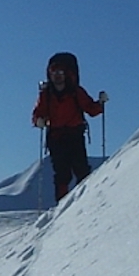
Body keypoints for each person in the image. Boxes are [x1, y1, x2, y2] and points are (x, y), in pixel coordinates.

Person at [31, 52, 108, 201]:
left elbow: (91, 109)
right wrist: (37, 120)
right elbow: (37, 113)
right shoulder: (47, 95)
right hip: (58, 137)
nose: (57, 75)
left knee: (81, 171)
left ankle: (82, 202)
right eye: (54, 72)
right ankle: (65, 206)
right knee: (62, 174)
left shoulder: (74, 92)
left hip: (72, 135)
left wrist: (100, 104)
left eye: (60, 72)